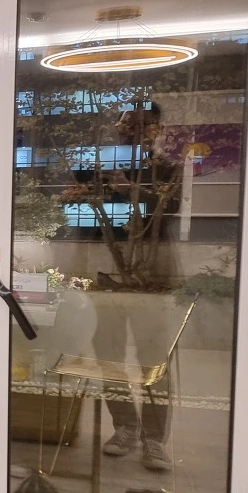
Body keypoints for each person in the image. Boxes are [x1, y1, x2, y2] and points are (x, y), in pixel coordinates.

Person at [94, 101, 181, 472]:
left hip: (152, 266)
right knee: (107, 353)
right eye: (125, 125)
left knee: (154, 355)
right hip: (109, 267)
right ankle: (125, 427)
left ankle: (154, 439)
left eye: (139, 125)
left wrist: (133, 190)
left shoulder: (169, 164)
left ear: (156, 128)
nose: (128, 132)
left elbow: (172, 208)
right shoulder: (107, 161)